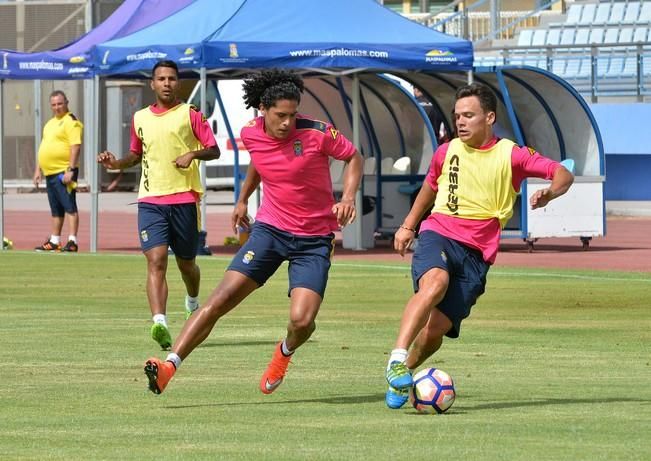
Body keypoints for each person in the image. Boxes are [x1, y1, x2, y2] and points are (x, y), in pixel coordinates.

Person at [143, 69, 364, 396]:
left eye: (292, 114)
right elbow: (260, 163)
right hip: (270, 231)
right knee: (218, 301)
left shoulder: (318, 133)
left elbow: (354, 157)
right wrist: (243, 199)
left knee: (302, 322)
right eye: (280, 116)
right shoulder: (251, 132)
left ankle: (284, 353)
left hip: (313, 240)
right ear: (263, 109)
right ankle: (169, 366)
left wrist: (347, 198)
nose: (287, 122)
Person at [384, 83, 574, 409]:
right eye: (458, 116)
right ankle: (396, 361)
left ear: (489, 117)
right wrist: (408, 225)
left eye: (468, 115)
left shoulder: (511, 154)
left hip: (477, 254)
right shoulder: (446, 151)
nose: (460, 122)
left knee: (436, 331)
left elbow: (562, 173)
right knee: (434, 284)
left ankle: (405, 375)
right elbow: (430, 187)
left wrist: (551, 193)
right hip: (438, 233)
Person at [97, 60, 220, 350]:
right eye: (161, 79)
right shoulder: (140, 118)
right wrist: (115, 164)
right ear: (152, 84)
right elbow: (135, 154)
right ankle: (159, 323)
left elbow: (213, 150)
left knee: (187, 264)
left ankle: (192, 302)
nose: (167, 83)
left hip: (184, 199)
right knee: (156, 260)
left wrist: (192, 154)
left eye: (172, 79)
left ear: (178, 83)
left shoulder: (190, 114)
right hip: (150, 200)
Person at [33, 90, 83, 252]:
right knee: (56, 209)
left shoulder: (71, 121)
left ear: (66, 103)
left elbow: (75, 146)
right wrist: (37, 170)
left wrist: (71, 169)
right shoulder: (50, 123)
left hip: (64, 172)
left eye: (60, 103)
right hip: (49, 172)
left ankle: (72, 241)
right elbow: (43, 147)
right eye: (53, 104)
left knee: (69, 207)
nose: (57, 107)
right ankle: (54, 240)